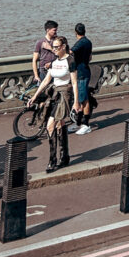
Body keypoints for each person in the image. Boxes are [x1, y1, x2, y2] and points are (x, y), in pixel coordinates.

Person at [29, 35, 80, 173]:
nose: (54, 50)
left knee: (50, 125)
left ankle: (52, 160)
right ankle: (65, 156)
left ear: (63, 47)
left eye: (57, 47)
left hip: (65, 95)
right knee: (60, 124)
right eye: (54, 47)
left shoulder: (70, 61)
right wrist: (34, 96)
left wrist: (76, 102)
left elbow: (74, 82)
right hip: (54, 94)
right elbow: (46, 81)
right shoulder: (54, 61)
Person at [70, 22, 93, 135]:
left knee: (84, 99)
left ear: (75, 32)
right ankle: (79, 123)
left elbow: (70, 52)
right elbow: (90, 57)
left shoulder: (80, 43)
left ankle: (86, 125)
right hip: (85, 70)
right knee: (80, 98)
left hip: (81, 73)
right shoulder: (88, 42)